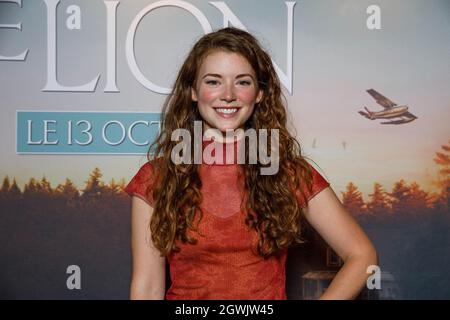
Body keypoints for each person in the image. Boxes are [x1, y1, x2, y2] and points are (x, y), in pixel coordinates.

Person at [125, 27, 377, 300]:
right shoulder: (157, 177)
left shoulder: (288, 173)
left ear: (259, 94)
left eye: (243, 82)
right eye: (213, 82)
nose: (228, 94)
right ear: (193, 92)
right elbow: (148, 287)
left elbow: (362, 256)